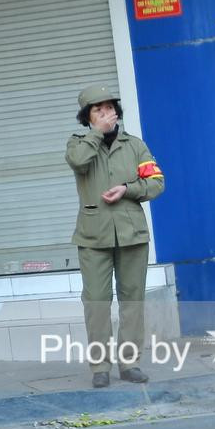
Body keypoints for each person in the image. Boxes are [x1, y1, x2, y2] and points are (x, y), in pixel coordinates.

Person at [65, 85, 165, 389]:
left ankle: (130, 363)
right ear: (88, 117)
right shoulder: (78, 143)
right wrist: (97, 133)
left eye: (109, 107)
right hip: (93, 236)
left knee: (132, 300)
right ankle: (100, 366)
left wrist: (128, 189)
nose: (107, 113)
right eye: (98, 109)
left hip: (132, 233)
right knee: (96, 301)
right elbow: (79, 162)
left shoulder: (135, 145)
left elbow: (156, 181)